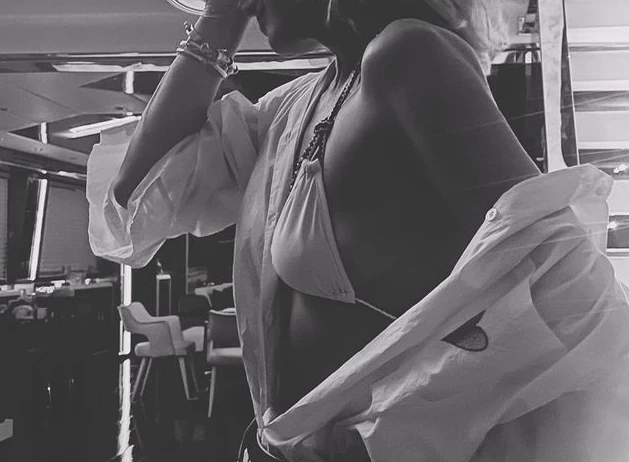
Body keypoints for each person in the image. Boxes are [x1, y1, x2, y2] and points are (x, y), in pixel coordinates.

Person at [87, 0, 629, 460]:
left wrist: (415, 419)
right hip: (280, 446)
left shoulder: (409, 54)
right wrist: (217, 23)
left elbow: (567, 282)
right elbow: (136, 199)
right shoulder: (296, 104)